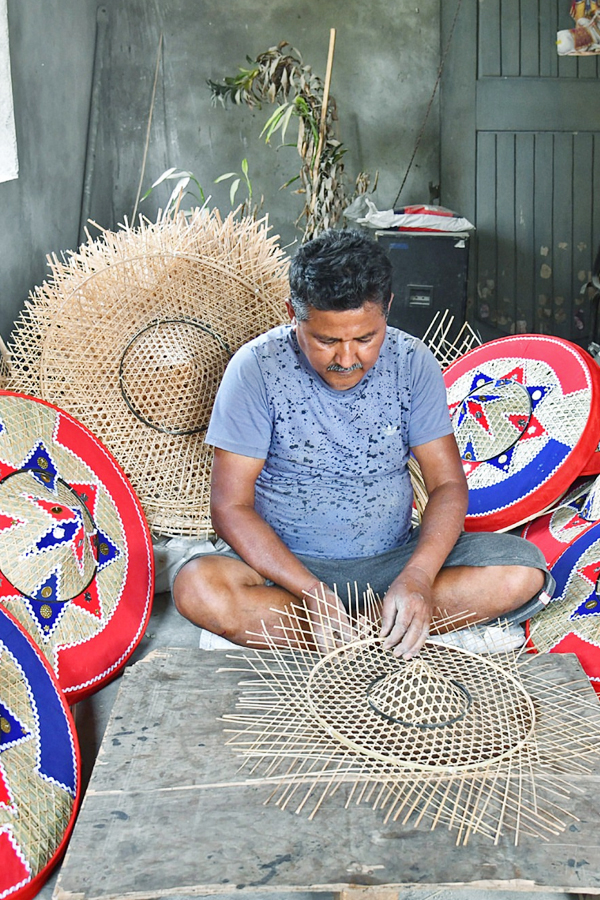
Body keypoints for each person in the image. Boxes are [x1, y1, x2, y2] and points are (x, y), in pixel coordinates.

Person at [173, 228, 553, 657]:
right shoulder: (256, 368)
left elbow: (447, 486)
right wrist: (312, 592)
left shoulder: (412, 362)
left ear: (387, 309)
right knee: (197, 588)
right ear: (292, 314)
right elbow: (229, 507)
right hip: (283, 568)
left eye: (366, 338)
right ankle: (383, 632)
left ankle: (353, 630)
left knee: (521, 570)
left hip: (392, 561)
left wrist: (417, 578)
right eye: (326, 340)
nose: (347, 358)